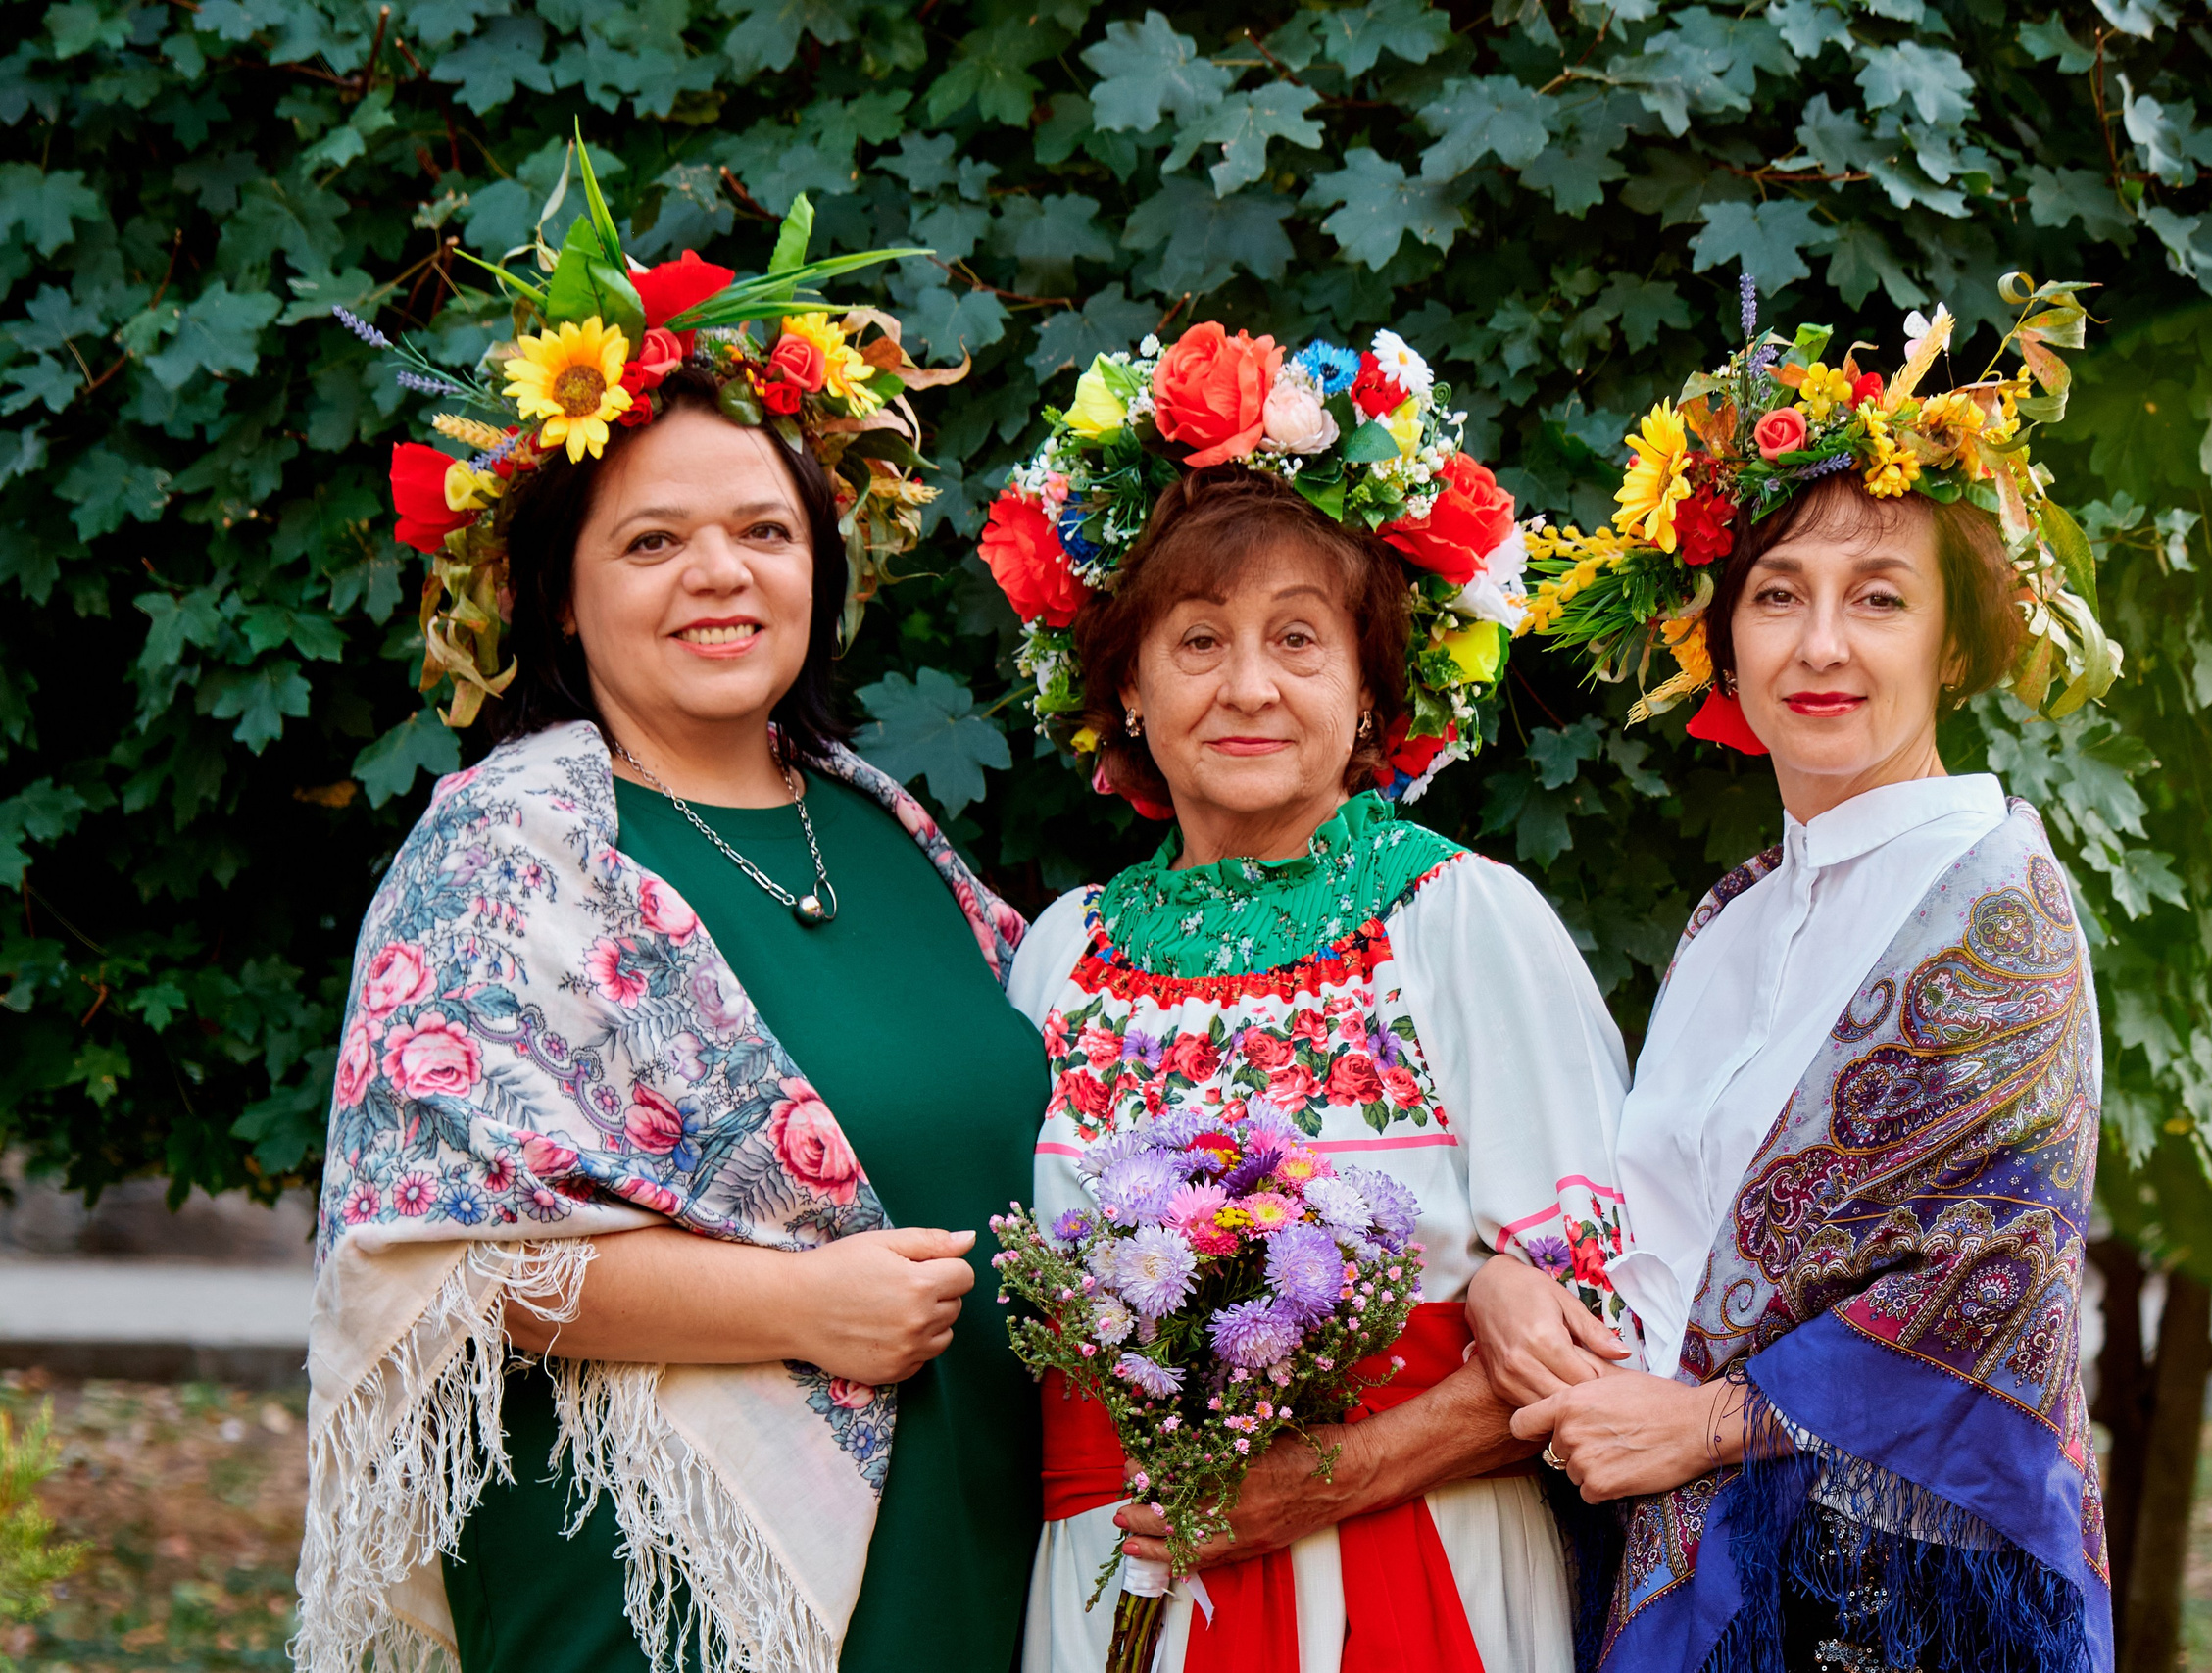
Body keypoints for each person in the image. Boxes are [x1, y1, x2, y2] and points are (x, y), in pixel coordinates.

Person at [296, 156, 1040, 1673]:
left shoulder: (894, 840)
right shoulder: (508, 860)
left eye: (765, 533)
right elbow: (435, 1255)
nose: (721, 574)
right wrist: (796, 1307)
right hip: (660, 1600)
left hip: (960, 1563)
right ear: (562, 595)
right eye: (652, 541)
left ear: (820, 567)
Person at [977, 323, 1635, 1672]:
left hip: (1410, 1562)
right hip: (1119, 1573)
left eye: (1298, 638)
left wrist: (1318, 1479)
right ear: (1128, 691)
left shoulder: (1462, 923)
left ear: (1369, 687)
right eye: (1199, 639)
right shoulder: (1059, 950)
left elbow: (1592, 1321)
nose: (1250, 686)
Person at [1508, 277, 2122, 1672]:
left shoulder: (1997, 898)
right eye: (1777, 595)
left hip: (1893, 1599)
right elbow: (1646, 1226)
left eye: (1878, 597)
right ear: (1722, 639)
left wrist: (1713, 1423)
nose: (1822, 643)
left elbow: (1998, 1280)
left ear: (1953, 640)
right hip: (1674, 1572)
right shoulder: (1731, 918)